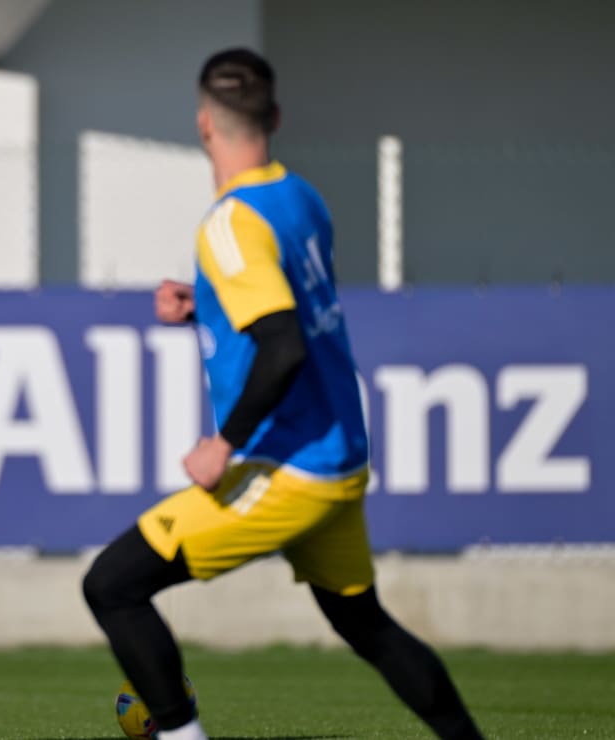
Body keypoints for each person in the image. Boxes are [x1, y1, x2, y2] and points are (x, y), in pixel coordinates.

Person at [82, 49, 484, 740]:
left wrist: (222, 444)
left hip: (289, 468)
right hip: (340, 456)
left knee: (112, 587)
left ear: (205, 124)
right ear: (274, 117)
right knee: (366, 625)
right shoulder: (300, 197)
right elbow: (284, 309)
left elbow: (284, 346)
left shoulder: (228, 223)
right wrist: (204, 304)